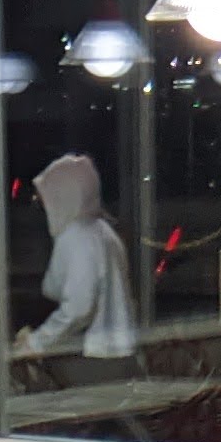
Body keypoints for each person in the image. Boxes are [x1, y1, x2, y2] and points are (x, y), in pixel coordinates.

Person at [19, 154, 138, 383]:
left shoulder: (78, 238)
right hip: (118, 353)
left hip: (93, 358)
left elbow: (79, 308)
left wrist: (37, 342)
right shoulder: (104, 232)